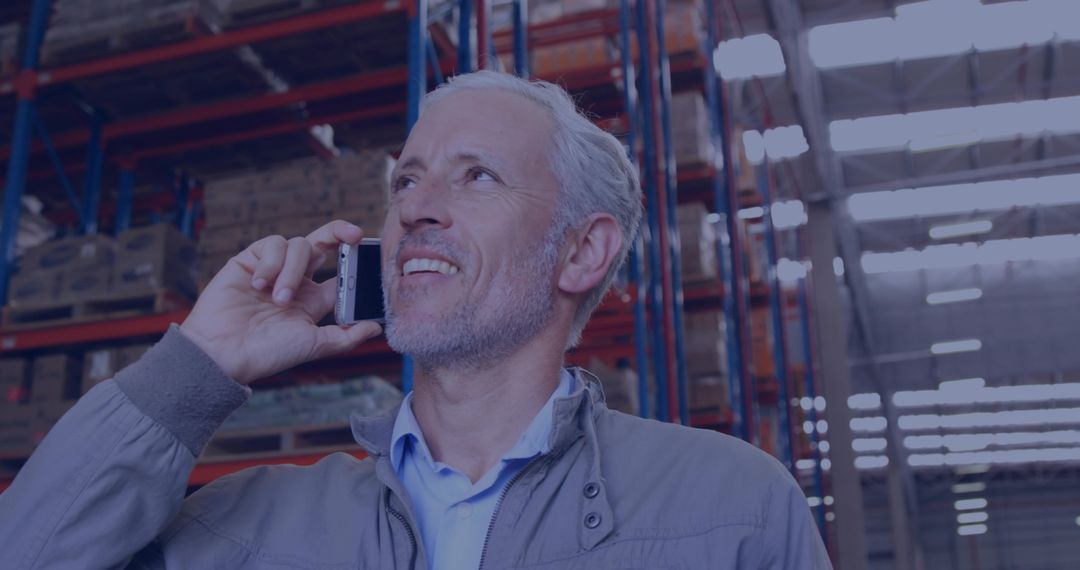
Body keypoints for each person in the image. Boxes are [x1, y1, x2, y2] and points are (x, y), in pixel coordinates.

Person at [0, 71, 831, 569]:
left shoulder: (731, 509)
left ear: (583, 252)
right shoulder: (244, 528)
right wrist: (201, 363)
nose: (417, 210)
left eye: (476, 178)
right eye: (405, 181)